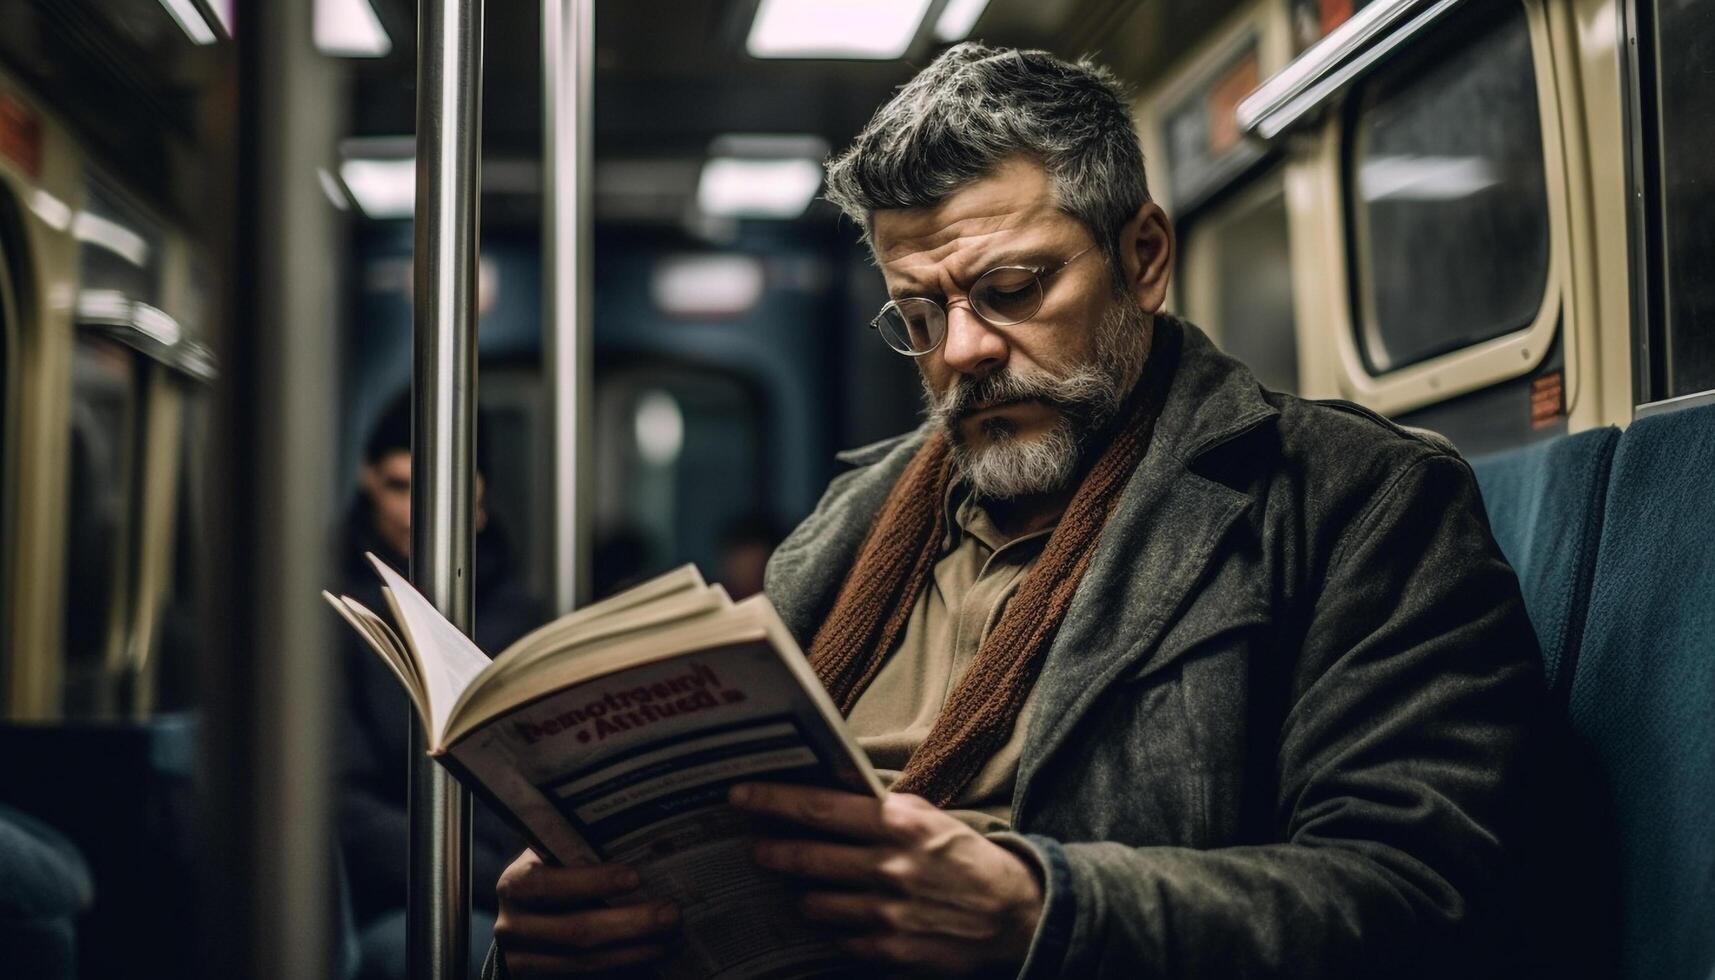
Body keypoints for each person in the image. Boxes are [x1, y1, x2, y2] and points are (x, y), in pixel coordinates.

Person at [486, 44, 1589, 978]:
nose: (960, 350)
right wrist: (585, 918)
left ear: (1142, 258)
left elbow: (1430, 892)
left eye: (1012, 291)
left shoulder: (1347, 498)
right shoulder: (852, 516)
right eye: (919, 313)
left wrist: (1038, 909)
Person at [337, 392, 543, 980]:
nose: (417, 512)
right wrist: (493, 878)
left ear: (479, 504)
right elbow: (341, 803)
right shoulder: (331, 612)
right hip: (385, 890)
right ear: (366, 484)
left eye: (445, 493)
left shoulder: (521, 614)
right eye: (399, 487)